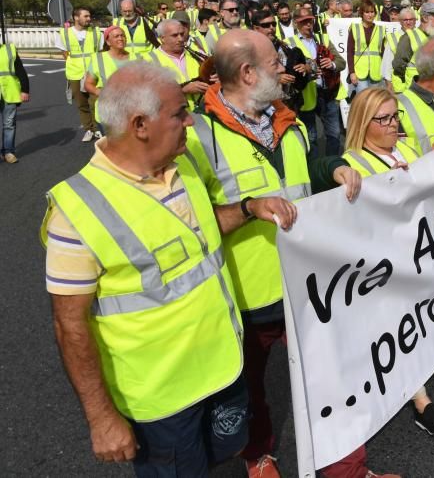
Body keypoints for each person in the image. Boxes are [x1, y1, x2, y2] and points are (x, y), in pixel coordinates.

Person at [183, 30, 395, 478]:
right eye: (274, 62)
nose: (284, 68)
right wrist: (247, 209)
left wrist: (332, 167)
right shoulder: (198, 137)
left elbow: (304, 173)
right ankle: (258, 456)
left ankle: (347, 471)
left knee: (334, 381)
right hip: (247, 296)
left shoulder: (289, 122)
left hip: (307, 286)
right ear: (247, 73)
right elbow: (190, 224)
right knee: (249, 389)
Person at [42, 63, 250, 476]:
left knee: (222, 462)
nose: (191, 120)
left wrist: (248, 209)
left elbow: (198, 234)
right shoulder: (77, 211)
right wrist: (101, 419)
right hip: (162, 401)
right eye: (179, 113)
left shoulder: (181, 163)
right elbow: (70, 325)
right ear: (140, 124)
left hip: (223, 367)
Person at [341, 87, 434, 439]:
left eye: (396, 116)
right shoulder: (351, 165)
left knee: (414, 321)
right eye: (384, 119)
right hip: (384, 264)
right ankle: (420, 400)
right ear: (363, 122)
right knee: (396, 326)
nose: (394, 124)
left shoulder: (402, 149)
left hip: (416, 252)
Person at [286, 8, 347, 155]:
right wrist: (308, 70)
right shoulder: (289, 43)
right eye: (303, 22)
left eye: (310, 21)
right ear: (296, 24)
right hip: (306, 96)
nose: (308, 25)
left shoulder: (323, 39)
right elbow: (289, 71)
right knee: (311, 137)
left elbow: (341, 62)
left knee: (334, 134)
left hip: (327, 94)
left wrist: (331, 64)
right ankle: (315, 168)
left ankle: (332, 165)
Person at [57, 7, 104, 141]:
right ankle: (88, 129)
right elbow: (65, 53)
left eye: (89, 16)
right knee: (82, 104)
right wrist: (75, 65)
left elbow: (100, 53)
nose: (89, 19)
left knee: (96, 102)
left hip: (93, 72)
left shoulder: (96, 33)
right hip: (75, 73)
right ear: (76, 17)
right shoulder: (64, 34)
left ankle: (97, 129)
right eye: (86, 16)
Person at [143, 19, 210, 109]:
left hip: (203, 114)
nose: (181, 39)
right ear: (162, 38)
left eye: (182, 34)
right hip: (173, 117)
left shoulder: (197, 54)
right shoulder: (148, 60)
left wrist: (213, 78)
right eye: (175, 35)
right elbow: (148, 96)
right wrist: (182, 90)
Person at [252, 10, 309, 113]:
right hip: (265, 107)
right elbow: (246, 79)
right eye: (266, 25)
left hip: (291, 105)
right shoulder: (249, 51)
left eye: (273, 24)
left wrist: (306, 67)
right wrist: (275, 79)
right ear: (256, 28)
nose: (271, 28)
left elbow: (311, 62)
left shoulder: (284, 45)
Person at [83, 26, 131, 131]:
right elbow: (88, 83)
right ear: (108, 42)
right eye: (116, 36)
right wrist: (98, 92)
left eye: (122, 35)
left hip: (132, 112)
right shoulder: (98, 59)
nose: (120, 38)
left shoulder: (136, 56)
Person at [392, 2, 434, 93]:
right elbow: (398, 65)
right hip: (413, 91)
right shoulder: (409, 37)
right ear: (425, 18)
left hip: (430, 90)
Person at [0, 37, 30, 163]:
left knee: (9, 124)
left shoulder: (9, 49)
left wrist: (25, 90)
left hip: (10, 92)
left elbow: (20, 70)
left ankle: (8, 152)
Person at [347, 0, 385, 94]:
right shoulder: (355, 28)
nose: (370, 15)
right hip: (359, 72)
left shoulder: (381, 29)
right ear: (362, 13)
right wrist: (352, 72)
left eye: (372, 12)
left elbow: (384, 53)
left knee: (374, 101)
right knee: (363, 101)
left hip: (376, 71)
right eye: (367, 12)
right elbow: (350, 52)